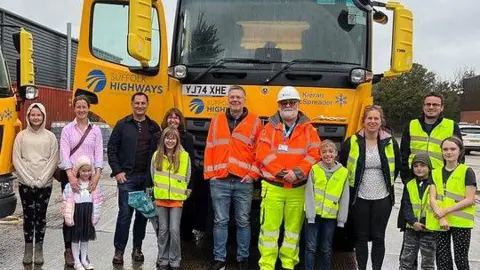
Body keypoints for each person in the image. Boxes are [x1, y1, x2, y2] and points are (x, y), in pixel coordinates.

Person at [256, 86, 321, 270]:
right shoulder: (268, 128)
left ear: (298, 104)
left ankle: (288, 265)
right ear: (278, 105)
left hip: (298, 188)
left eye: (292, 102)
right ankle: (267, 266)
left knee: (293, 232)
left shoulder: (309, 130)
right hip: (273, 186)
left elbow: (315, 153)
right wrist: (283, 173)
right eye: (284, 103)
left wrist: (298, 173)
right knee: (269, 231)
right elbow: (263, 153)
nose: (288, 105)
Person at [204, 85, 262, 270]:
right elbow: (210, 147)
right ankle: (219, 258)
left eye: (238, 97)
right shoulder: (217, 119)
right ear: (227, 100)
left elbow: (260, 152)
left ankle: (242, 258)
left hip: (243, 181)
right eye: (232, 97)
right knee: (220, 221)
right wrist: (211, 175)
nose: (235, 100)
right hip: (220, 180)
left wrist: (253, 174)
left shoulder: (255, 122)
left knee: (243, 221)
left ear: (244, 100)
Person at [339, 105, 401, 270]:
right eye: (369, 118)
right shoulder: (352, 142)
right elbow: (343, 166)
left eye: (376, 118)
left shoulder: (390, 142)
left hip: (383, 197)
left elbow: (398, 165)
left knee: (379, 238)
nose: (372, 121)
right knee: (360, 237)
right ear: (363, 121)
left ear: (381, 121)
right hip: (359, 197)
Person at [108, 92, 161, 264]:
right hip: (127, 179)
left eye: (142, 103)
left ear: (147, 104)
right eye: (136, 103)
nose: (139, 106)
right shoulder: (122, 125)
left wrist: (153, 179)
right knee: (124, 215)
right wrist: (117, 171)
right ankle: (119, 251)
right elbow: (112, 149)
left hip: (146, 180)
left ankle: (137, 248)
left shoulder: (154, 127)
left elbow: (160, 154)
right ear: (132, 104)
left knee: (142, 216)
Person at [59, 95, 103, 267]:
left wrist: (97, 175)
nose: (81, 110)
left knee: (86, 214)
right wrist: (70, 175)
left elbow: (99, 153)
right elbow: (64, 153)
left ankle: (83, 254)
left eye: (84, 107)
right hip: (71, 176)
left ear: (89, 108)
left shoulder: (95, 131)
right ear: (74, 108)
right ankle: (69, 249)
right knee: (69, 213)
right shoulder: (67, 130)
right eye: (78, 107)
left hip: (89, 176)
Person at [13, 103, 59, 265]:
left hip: (45, 184)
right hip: (25, 184)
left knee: (41, 217)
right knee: (28, 216)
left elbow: (53, 160)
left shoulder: (50, 137)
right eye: (33, 115)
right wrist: (29, 180)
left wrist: (41, 180)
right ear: (28, 116)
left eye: (38, 115)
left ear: (43, 116)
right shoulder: (21, 137)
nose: (36, 118)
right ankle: (28, 249)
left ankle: (39, 249)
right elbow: (17, 160)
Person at [426, 136, 476, 270]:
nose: (449, 152)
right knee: (442, 259)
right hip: (441, 222)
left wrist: (445, 211)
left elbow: (470, 199)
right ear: (441, 152)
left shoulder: (467, 171)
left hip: (461, 223)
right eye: (445, 149)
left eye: (453, 149)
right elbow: (432, 198)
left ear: (460, 151)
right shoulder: (435, 173)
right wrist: (441, 216)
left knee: (461, 259)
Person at [304, 140, 349, 270]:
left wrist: (341, 219)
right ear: (320, 154)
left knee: (326, 248)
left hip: (330, 217)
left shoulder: (343, 172)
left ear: (336, 153)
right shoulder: (315, 169)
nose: (327, 154)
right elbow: (309, 193)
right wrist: (310, 215)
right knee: (310, 247)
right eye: (324, 152)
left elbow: (344, 197)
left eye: (331, 151)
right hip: (314, 215)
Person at [151, 127, 192, 270]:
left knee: (174, 231)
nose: (170, 140)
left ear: (177, 140)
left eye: (173, 138)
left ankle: (175, 261)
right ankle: (163, 260)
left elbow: (188, 176)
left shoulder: (184, 156)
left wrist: (182, 193)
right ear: (163, 139)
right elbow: (153, 176)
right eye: (167, 138)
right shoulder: (156, 155)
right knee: (162, 231)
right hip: (161, 199)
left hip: (176, 200)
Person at [400, 92, 463, 183]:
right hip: (414, 177)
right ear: (423, 106)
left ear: (442, 107)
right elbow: (403, 154)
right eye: (428, 104)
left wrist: (454, 176)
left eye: (435, 104)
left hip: (441, 177)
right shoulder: (411, 125)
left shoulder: (451, 126)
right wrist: (406, 177)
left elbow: (460, 154)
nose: (431, 107)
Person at [160, 108, 196, 240]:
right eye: (170, 117)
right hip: (162, 188)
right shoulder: (157, 137)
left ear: (180, 121)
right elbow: (151, 164)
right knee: (163, 226)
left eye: (176, 117)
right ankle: (163, 254)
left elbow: (191, 165)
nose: (173, 120)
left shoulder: (188, 138)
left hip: (179, 188)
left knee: (177, 224)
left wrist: (190, 186)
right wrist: (149, 186)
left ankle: (180, 246)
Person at [62, 156, 103, 270]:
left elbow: (99, 199)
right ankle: (76, 261)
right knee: (75, 238)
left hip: (88, 213)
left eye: (89, 171)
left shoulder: (94, 185)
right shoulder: (72, 186)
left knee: (85, 238)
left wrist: (96, 213)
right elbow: (66, 201)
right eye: (83, 171)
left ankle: (84, 259)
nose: (86, 173)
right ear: (78, 171)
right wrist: (67, 214)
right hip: (77, 213)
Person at [398, 153, 435, 270]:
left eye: (423, 165)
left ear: (429, 167)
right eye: (416, 166)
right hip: (412, 228)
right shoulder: (409, 184)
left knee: (428, 263)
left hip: (429, 229)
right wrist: (413, 222)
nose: (419, 169)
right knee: (406, 260)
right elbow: (406, 205)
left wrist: (425, 222)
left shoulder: (435, 184)